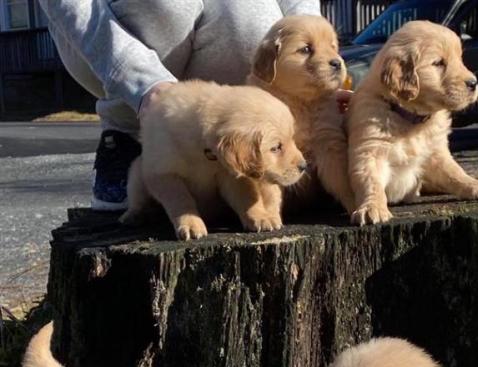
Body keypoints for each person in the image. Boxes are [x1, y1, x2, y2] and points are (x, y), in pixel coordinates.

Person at [39, 0, 320, 210]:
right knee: (167, 5)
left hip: (217, 63)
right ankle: (126, 134)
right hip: (106, 32)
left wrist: (315, 65)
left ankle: (239, 146)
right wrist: (144, 83)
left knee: (253, 17)